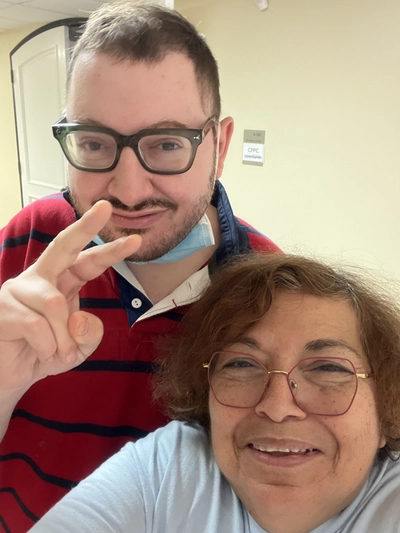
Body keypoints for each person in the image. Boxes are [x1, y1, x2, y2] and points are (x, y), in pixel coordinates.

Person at [0, 2, 281, 531]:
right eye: (94, 143)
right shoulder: (28, 242)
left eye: (167, 144)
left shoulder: (272, 293)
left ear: (219, 145)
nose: (128, 192)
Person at [25, 252, 400, 533]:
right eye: (242, 365)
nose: (277, 406)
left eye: (329, 369)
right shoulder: (172, 467)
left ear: (386, 406)